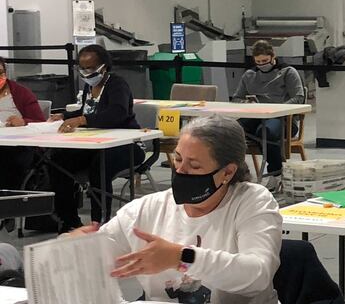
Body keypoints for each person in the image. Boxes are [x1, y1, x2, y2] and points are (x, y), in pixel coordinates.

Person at [69, 115, 282, 303]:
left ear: (227, 173)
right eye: (178, 159)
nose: (180, 171)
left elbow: (258, 274)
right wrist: (75, 249)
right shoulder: (147, 209)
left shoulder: (252, 201)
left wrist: (182, 257)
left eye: (194, 166)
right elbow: (98, 256)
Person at [49, 44, 145, 231]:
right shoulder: (88, 87)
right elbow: (89, 110)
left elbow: (116, 114)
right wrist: (65, 116)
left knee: (99, 167)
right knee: (58, 161)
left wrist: (82, 119)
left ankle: (99, 222)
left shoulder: (117, 85)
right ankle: (68, 221)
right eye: (82, 68)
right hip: (95, 144)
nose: (86, 72)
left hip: (127, 145)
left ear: (104, 66)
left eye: (91, 68)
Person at [232, 40, 305, 190]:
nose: (262, 64)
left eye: (265, 61)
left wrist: (278, 109)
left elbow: (298, 97)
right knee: (233, 129)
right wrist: (247, 103)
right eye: (258, 62)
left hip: (283, 119)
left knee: (265, 132)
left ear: (273, 57)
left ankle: (275, 173)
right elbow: (237, 97)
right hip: (257, 115)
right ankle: (237, 173)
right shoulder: (249, 75)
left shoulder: (287, 72)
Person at [0, 56, 46, 191]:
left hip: (18, 146)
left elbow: (41, 123)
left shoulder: (21, 93)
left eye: (0, 72)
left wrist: (24, 122)